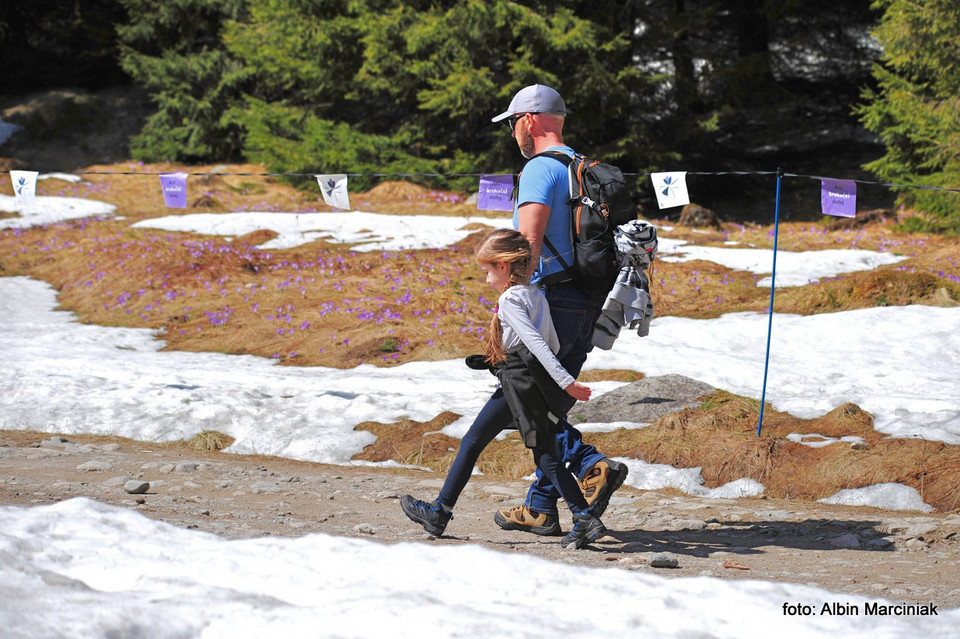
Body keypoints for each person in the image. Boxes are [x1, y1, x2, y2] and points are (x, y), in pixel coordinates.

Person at [400, 229, 607, 550]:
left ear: (504, 266)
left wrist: (567, 383)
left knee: (472, 442)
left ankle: (439, 512)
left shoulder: (510, 299)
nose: (486, 280)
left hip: (517, 382)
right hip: (529, 381)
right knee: (545, 456)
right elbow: (549, 341)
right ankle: (584, 517)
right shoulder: (536, 294)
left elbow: (537, 344)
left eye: (487, 271)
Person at [487, 84, 628, 535]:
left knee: (527, 401)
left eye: (512, 124)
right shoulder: (582, 167)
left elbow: (526, 244)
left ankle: (591, 464)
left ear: (530, 119)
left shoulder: (538, 170)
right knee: (551, 402)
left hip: (553, 299)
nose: (512, 134)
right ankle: (540, 507)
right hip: (590, 296)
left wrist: (510, 302)